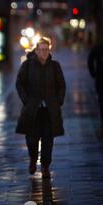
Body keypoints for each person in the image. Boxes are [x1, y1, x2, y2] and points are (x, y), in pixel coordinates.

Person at [16, 37, 66, 179]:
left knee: (47, 140)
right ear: (36, 50)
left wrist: (58, 101)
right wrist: (26, 100)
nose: (44, 52)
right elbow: (20, 83)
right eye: (41, 50)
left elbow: (61, 85)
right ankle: (33, 159)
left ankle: (45, 166)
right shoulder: (27, 65)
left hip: (49, 110)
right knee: (31, 139)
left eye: (46, 50)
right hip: (32, 110)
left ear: (49, 50)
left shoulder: (55, 66)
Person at [88, 30, 103, 133]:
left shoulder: (98, 47)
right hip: (101, 78)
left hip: (101, 78)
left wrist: (93, 73)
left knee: (102, 101)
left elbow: (90, 60)